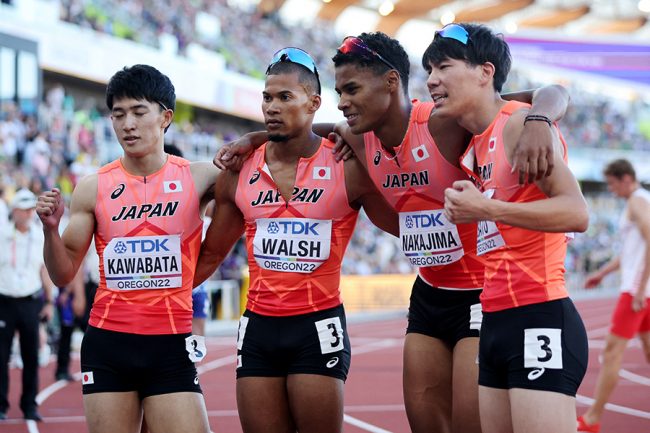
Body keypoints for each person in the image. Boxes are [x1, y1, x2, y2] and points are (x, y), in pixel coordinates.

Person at [216, 32, 569, 433]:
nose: (342, 102)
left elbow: (551, 91)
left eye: (351, 90)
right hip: (428, 296)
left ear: (390, 83)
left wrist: (540, 119)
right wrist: (254, 137)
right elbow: (308, 131)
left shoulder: (443, 125)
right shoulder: (356, 136)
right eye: (338, 92)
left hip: (481, 293)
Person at [194, 47, 398, 433]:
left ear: (314, 103)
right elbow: (212, 254)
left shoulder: (346, 164)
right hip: (258, 328)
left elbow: (402, 225)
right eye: (267, 97)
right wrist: (154, 299)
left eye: (285, 97)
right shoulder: (239, 171)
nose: (272, 106)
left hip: (318, 327)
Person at [36, 64, 217, 433]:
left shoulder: (199, 178)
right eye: (118, 114)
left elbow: (270, 159)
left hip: (170, 343)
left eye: (138, 112)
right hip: (109, 343)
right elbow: (63, 272)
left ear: (166, 117)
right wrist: (51, 231)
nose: (127, 124)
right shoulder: (93, 187)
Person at [429, 23, 588, 433]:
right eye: (429, 69)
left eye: (443, 67)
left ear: (484, 72)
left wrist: (486, 207)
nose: (432, 79)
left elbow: (576, 213)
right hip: (495, 320)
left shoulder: (518, 125)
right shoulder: (477, 140)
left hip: (540, 315)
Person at [577, 159, 650, 433]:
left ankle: (593, 419)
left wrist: (641, 288)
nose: (610, 189)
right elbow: (630, 252)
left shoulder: (637, 202)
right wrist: (602, 273)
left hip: (636, 292)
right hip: (641, 290)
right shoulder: (641, 201)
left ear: (626, 179)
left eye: (611, 183)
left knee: (611, 351)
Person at [0, 188, 55, 421]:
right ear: (14, 210)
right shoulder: (2, 234)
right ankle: (1, 405)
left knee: (31, 355)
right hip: (4, 300)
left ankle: (30, 405)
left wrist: (50, 302)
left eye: (30, 209)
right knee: (1, 357)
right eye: (23, 209)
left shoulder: (40, 235)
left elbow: (45, 269)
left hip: (31, 300)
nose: (27, 213)